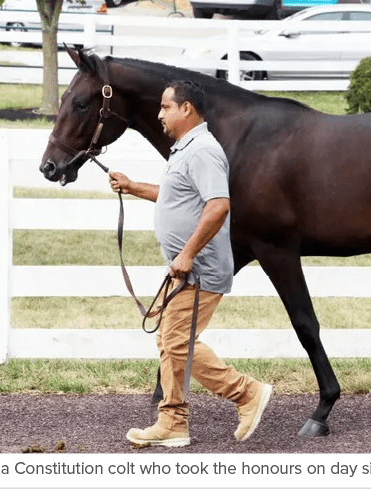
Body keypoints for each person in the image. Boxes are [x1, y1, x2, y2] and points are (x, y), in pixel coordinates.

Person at [109, 80, 272, 447]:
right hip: (187, 268)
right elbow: (176, 197)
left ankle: (245, 393)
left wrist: (187, 254)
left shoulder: (202, 151)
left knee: (177, 342)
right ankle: (173, 422)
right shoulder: (185, 149)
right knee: (170, 342)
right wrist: (134, 187)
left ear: (187, 109)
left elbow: (218, 204)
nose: (159, 114)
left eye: (166, 107)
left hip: (198, 269)